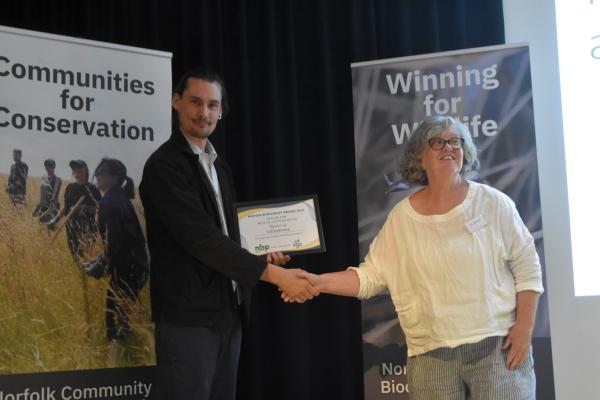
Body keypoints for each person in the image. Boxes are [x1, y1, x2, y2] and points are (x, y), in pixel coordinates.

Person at [286, 115, 544, 400]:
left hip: (496, 345)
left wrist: (524, 327)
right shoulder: (402, 218)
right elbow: (371, 276)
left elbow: (527, 266)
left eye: (455, 141)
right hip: (430, 354)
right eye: (437, 142)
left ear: (465, 151)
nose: (448, 146)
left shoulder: (493, 203)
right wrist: (318, 281)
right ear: (419, 158)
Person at [139, 67, 318, 400]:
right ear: (176, 102)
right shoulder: (164, 166)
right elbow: (202, 239)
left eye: (212, 105)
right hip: (188, 318)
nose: (203, 113)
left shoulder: (218, 165)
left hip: (228, 313)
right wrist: (276, 274)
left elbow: (229, 235)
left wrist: (262, 252)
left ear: (221, 111)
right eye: (195, 102)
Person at [87, 158, 149, 345]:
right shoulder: (119, 196)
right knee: (122, 310)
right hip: (135, 263)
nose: (98, 175)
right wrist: (104, 257)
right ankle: (124, 346)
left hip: (127, 265)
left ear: (115, 177)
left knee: (113, 315)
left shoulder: (110, 201)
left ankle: (116, 352)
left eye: (102, 172)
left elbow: (117, 237)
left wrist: (103, 261)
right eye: (97, 171)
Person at [48, 160, 101, 263]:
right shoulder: (70, 187)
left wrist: (85, 208)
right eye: (74, 169)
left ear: (86, 170)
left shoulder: (93, 189)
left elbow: (100, 209)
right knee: (74, 254)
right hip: (71, 227)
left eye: (79, 168)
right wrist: (56, 220)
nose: (76, 171)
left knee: (84, 256)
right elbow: (66, 208)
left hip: (87, 228)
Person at [32, 159, 62, 223]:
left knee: (49, 230)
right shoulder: (43, 178)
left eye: (50, 165)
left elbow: (54, 196)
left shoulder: (57, 180)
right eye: (46, 165)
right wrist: (37, 208)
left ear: (54, 167)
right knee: (40, 230)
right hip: (42, 208)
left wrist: (48, 211)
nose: (48, 167)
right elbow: (42, 197)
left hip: (51, 209)